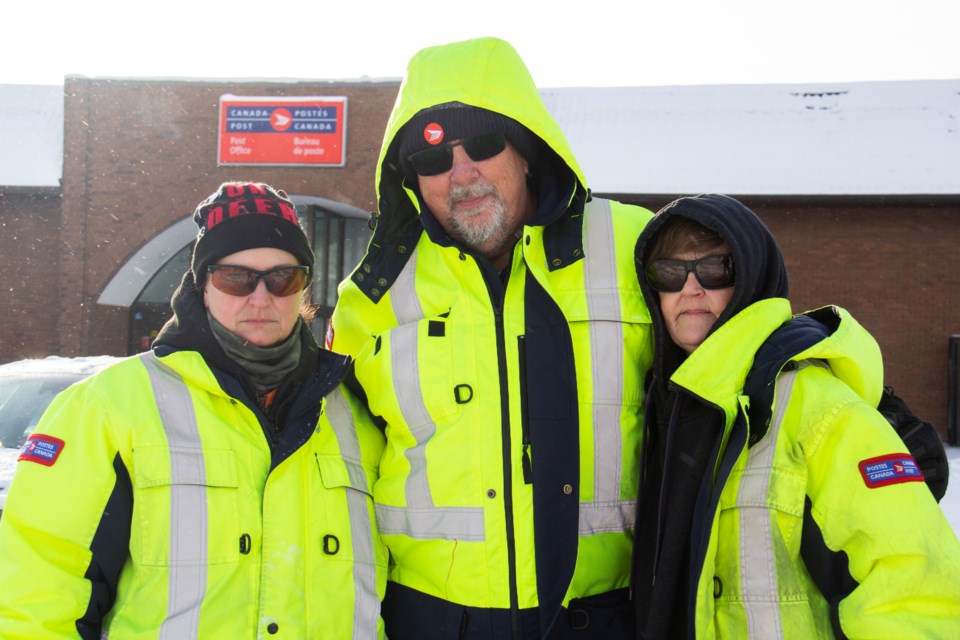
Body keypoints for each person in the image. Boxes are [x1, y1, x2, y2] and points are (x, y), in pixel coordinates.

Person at [328, 37, 654, 638]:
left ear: (527, 150)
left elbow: (739, 369)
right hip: (430, 620)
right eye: (432, 159)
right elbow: (333, 472)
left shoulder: (637, 250)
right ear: (412, 180)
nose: (461, 172)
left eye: (481, 143)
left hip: (606, 615)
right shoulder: (371, 296)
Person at [0, 182, 387, 638]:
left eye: (283, 278)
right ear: (203, 285)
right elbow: (39, 585)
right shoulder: (109, 407)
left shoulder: (357, 413)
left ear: (304, 289)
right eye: (235, 278)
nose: (261, 298)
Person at [631, 193, 960, 638]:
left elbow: (911, 588)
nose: (691, 287)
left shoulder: (818, 405)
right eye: (670, 272)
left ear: (750, 278)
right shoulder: (659, 411)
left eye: (714, 268)